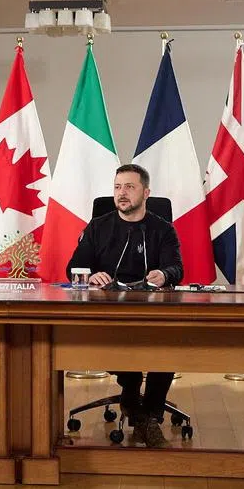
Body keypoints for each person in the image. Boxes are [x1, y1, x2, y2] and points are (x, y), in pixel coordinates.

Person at [66, 163, 183, 448]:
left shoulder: (162, 229)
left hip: (151, 309)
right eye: (118, 187)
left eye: (129, 187)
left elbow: (176, 268)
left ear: (146, 192)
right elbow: (72, 268)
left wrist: (164, 274)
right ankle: (132, 398)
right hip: (107, 309)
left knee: (166, 342)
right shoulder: (98, 226)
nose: (122, 193)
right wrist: (89, 275)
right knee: (120, 336)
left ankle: (150, 413)